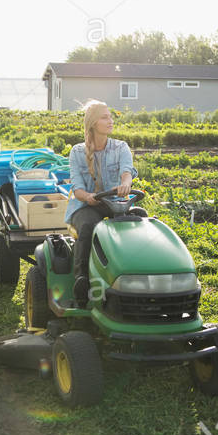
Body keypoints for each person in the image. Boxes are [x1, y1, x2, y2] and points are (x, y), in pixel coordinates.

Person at [65, 100, 136, 305]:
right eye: (105, 117)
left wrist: (125, 183)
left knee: (140, 221)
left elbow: (126, 171)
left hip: (116, 203)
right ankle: (82, 280)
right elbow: (77, 189)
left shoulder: (121, 147)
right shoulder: (77, 152)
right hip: (87, 205)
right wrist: (88, 197)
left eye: (110, 116)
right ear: (94, 123)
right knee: (88, 226)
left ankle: (135, 276)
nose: (110, 121)